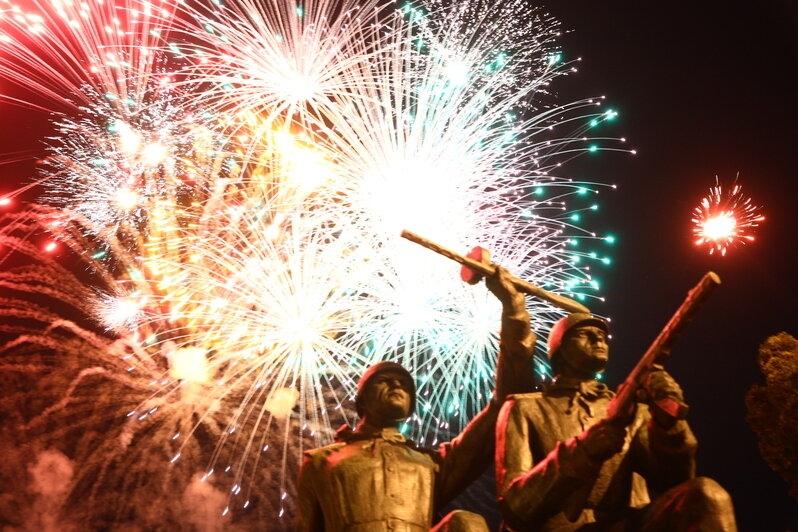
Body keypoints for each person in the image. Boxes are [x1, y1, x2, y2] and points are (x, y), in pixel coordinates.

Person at [295, 267, 536, 532]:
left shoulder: (430, 464)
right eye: (383, 380)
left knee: (468, 523)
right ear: (361, 400)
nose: (397, 384)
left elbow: (506, 404)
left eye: (405, 385)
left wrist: (514, 312)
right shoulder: (321, 460)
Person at [495, 302, 738, 529]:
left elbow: (675, 480)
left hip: (624, 525)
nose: (598, 339)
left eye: (601, 336)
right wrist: (582, 453)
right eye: (584, 334)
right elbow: (515, 506)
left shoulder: (633, 410)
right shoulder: (524, 408)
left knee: (707, 494)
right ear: (560, 350)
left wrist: (669, 423)